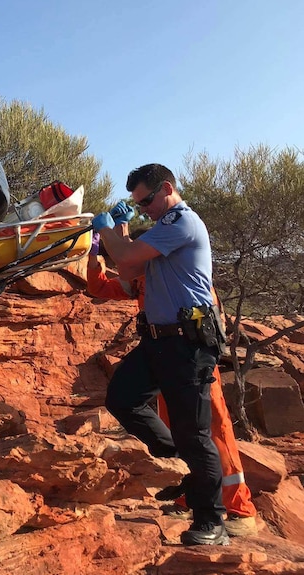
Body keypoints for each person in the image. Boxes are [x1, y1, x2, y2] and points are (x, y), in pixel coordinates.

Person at [86, 217, 258, 538]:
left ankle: (238, 508)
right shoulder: (142, 277)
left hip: (192, 357)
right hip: (164, 357)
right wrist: (94, 252)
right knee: (173, 424)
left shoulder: (180, 272)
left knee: (213, 428)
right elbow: (98, 287)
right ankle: (186, 494)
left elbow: (204, 315)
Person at [92, 163, 229, 546]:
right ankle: (182, 463)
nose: (143, 210)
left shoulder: (182, 222)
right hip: (158, 341)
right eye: (138, 205)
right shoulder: (163, 228)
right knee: (122, 398)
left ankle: (211, 520)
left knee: (195, 432)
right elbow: (128, 263)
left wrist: (105, 229)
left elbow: (128, 256)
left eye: (146, 201)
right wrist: (118, 229)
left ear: (167, 188)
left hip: (187, 343)